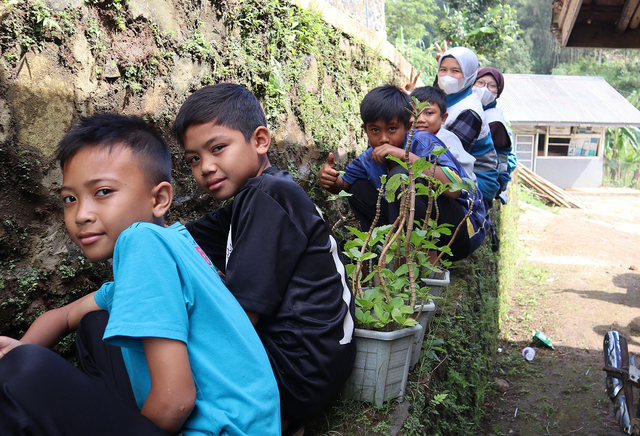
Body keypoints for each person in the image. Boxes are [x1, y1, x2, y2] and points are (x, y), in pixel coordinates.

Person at [0, 114, 281, 436]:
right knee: (94, 326)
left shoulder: (140, 241)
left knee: (23, 373)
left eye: (103, 191)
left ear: (159, 199)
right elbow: (65, 316)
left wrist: (17, 362)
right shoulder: (174, 242)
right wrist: (17, 346)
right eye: (69, 199)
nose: (81, 214)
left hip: (218, 429)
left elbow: (175, 402)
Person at [173, 83, 356, 436]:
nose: (205, 168)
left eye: (217, 148)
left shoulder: (267, 194)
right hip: (317, 367)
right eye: (193, 159)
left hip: (296, 374)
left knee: (163, 352)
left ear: (259, 141)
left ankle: (268, 420)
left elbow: (240, 319)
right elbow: (181, 241)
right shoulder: (253, 198)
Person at [318, 84, 488, 262]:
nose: (383, 138)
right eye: (375, 130)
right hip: (410, 229)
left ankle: (423, 263)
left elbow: (453, 190)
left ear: (408, 127)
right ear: (365, 130)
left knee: (402, 174)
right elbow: (343, 184)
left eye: (392, 129)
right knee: (357, 187)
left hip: (461, 232)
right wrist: (330, 178)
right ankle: (380, 249)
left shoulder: (423, 142)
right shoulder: (369, 158)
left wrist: (405, 157)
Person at [435, 47, 500, 207]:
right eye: (443, 70)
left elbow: (446, 156)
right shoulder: (449, 98)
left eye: (455, 71)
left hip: (478, 185)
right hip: (456, 171)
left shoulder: (469, 111)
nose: (447, 76)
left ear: (470, 75)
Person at [410, 85, 477, 183]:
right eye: (414, 113)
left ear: (443, 118)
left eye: (429, 113)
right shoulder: (408, 135)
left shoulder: (446, 139)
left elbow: (456, 179)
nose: (420, 119)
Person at [473, 67, 517, 198]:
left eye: (492, 85)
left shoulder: (495, 121)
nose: (485, 89)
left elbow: (506, 157)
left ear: (498, 92)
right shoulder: (468, 109)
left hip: (482, 183)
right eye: (480, 83)